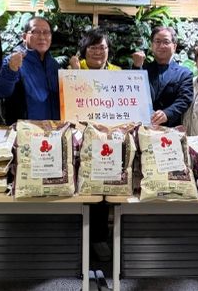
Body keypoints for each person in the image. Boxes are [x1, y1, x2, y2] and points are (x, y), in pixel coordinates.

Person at [68, 28, 119, 262]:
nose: (98, 52)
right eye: (93, 47)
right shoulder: (73, 69)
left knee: (101, 187)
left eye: (102, 47)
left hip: (106, 141)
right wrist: (75, 73)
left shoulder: (118, 73)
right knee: (76, 186)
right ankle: (74, 238)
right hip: (77, 137)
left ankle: (98, 237)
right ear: (84, 50)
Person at [0, 16, 60, 123]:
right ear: (24, 37)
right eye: (35, 32)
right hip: (24, 130)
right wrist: (11, 70)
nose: (42, 37)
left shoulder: (54, 65)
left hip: (53, 128)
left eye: (46, 32)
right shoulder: (13, 61)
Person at [132, 26, 193, 127]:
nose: (161, 45)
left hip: (170, 129)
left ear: (174, 46)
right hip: (142, 128)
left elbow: (184, 100)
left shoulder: (184, 73)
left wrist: (167, 113)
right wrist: (137, 67)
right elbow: (132, 93)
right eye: (157, 41)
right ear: (152, 45)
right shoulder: (142, 69)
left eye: (166, 42)